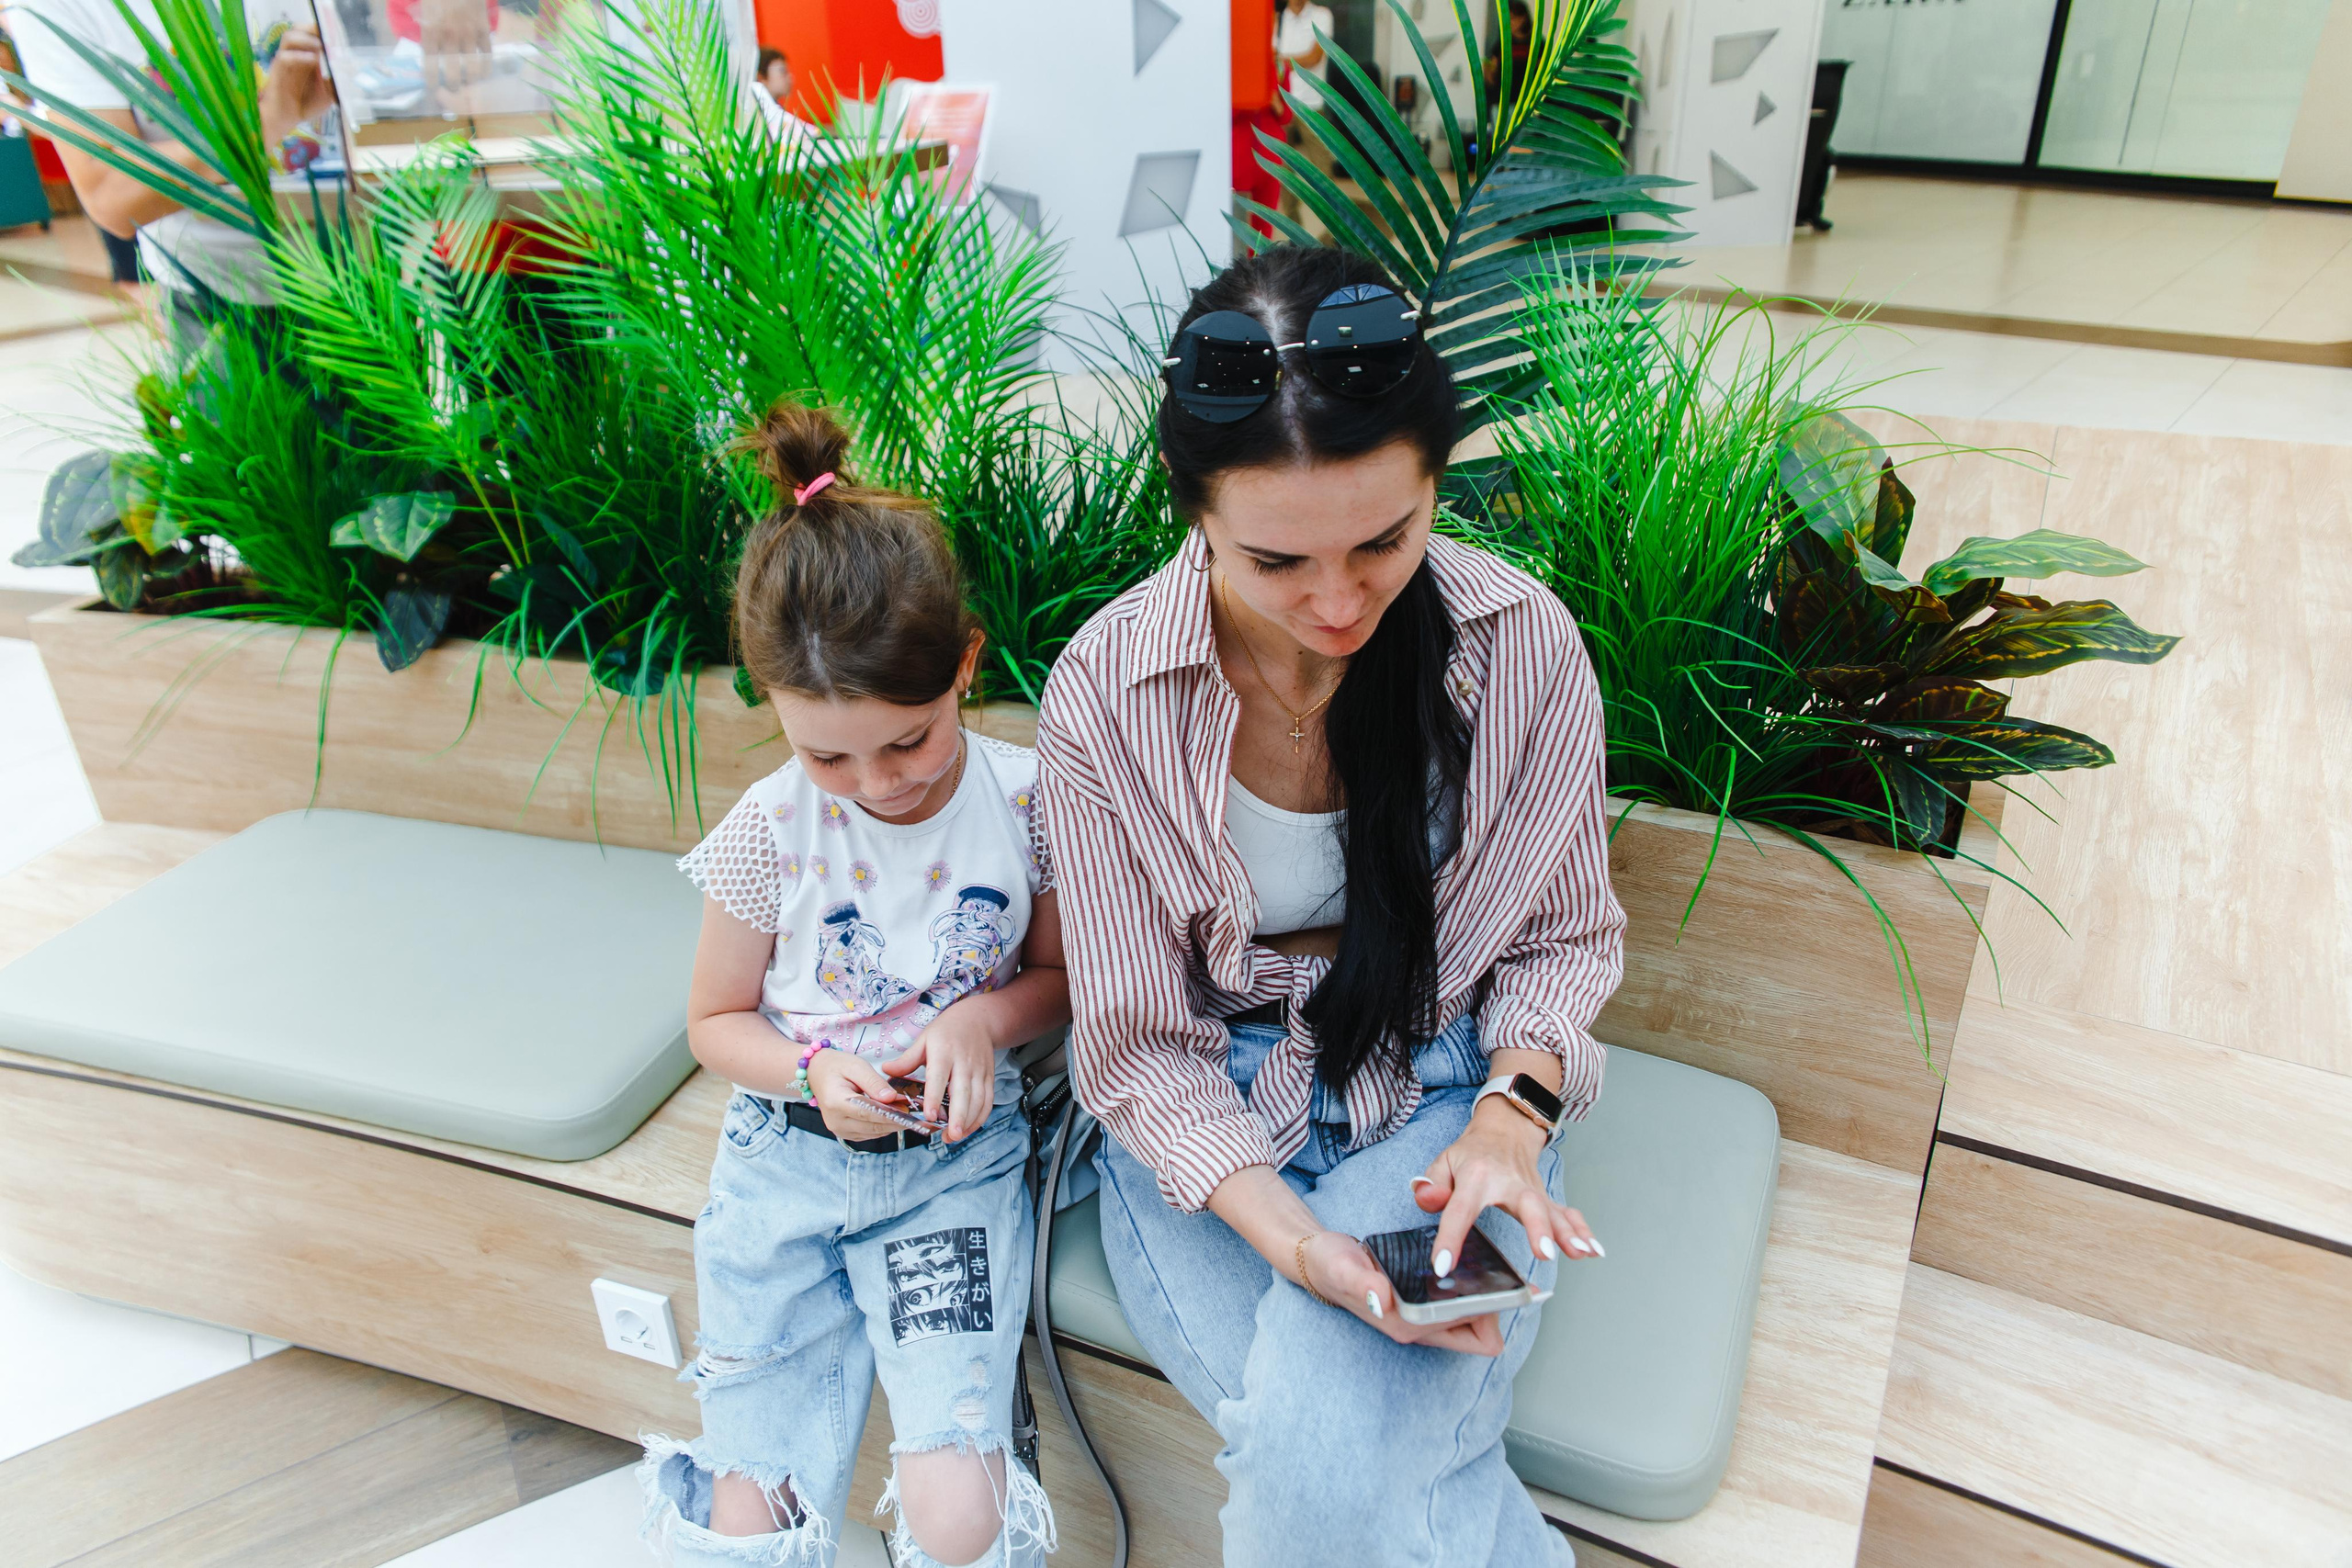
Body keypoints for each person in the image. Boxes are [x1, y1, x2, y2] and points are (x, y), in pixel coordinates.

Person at [1035, 244, 1624, 1565]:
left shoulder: (1518, 642)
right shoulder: (1108, 691)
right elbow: (1136, 1048)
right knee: (1335, 1448)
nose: (1340, 599)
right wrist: (1304, 1249)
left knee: (1316, 1456)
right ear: (1191, 509)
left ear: (1434, 487)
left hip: (1437, 1086)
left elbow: (1561, 937)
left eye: (1385, 539)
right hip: (1203, 1121)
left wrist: (1510, 1118)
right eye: (1278, 560)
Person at [640, 400, 1066, 1568]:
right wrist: (813, 1067)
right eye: (826, 752)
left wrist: (983, 1019)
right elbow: (713, 1023)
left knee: (961, 1516)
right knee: (753, 1510)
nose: (875, 784)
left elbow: (1056, 980)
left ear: (966, 666)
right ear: (770, 707)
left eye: (911, 742)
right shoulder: (766, 832)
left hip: (951, 1174)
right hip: (783, 1169)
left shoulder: (1028, 806)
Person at [2, 0, 331, 304]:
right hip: (226, 292)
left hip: (369, 260)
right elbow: (110, 194)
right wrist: (267, 122)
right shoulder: (62, 7)